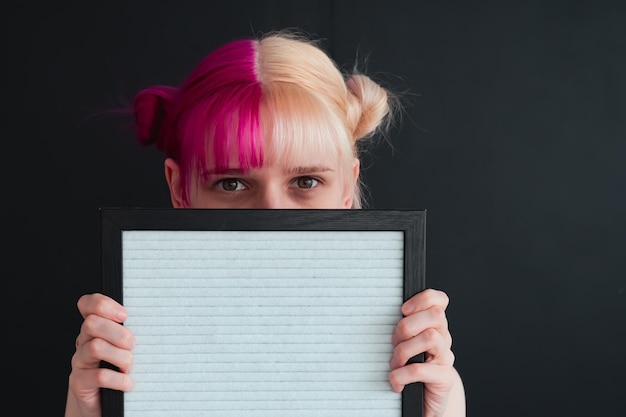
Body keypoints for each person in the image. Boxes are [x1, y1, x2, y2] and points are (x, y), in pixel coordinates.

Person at [65, 29, 466, 417]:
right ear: (180, 189)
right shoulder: (123, 362)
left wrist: (430, 413)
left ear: (348, 186)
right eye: (232, 183)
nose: (272, 213)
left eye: (306, 181)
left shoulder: (419, 371)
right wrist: (89, 413)